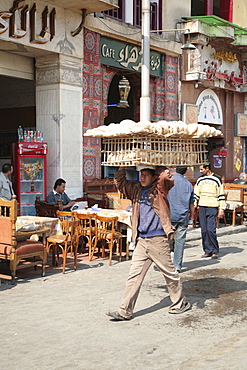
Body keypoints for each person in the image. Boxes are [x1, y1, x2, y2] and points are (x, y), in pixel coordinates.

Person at [106, 166, 191, 321]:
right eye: (141, 175)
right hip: (142, 241)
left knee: (170, 274)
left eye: (146, 175)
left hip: (158, 239)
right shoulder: (136, 190)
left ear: (154, 177)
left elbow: (165, 177)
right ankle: (125, 311)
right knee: (134, 276)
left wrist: (155, 162)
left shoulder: (160, 190)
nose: (142, 178)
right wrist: (123, 166)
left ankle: (180, 303)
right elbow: (120, 182)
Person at [194, 164, 226, 259]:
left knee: (211, 230)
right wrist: (194, 206)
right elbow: (196, 194)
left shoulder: (217, 179)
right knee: (204, 230)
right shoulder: (200, 180)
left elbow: (221, 195)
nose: (200, 171)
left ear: (207, 168)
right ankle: (207, 250)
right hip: (202, 206)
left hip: (212, 206)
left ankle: (215, 250)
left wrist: (221, 209)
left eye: (202, 169)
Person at [168, 167, 194, 273]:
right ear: (186, 172)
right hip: (183, 216)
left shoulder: (169, 181)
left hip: (169, 215)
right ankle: (177, 266)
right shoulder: (188, 184)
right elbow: (191, 203)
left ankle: (164, 264)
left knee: (164, 241)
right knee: (180, 241)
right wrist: (192, 217)